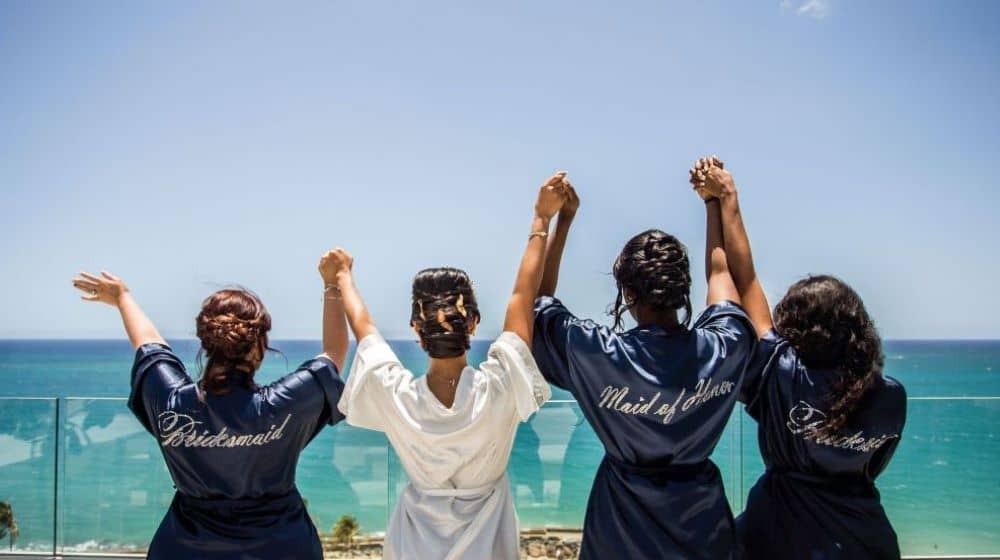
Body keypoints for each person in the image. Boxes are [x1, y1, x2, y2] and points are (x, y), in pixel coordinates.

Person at [333, 173, 567, 559]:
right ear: (473, 321)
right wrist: (545, 219)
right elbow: (524, 296)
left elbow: (364, 329)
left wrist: (340, 276)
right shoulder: (501, 384)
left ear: (415, 327)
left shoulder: (397, 396)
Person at [691, 156, 907, 559]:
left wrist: (722, 199)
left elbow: (745, 279)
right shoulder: (891, 396)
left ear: (794, 328)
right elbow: (871, 467)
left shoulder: (780, 374)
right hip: (866, 541)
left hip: (779, 535)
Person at [531, 174, 755, 559]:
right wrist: (713, 203)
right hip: (703, 531)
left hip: (620, 531)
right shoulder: (724, 347)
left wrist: (560, 221)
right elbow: (722, 275)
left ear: (628, 293)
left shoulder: (597, 354)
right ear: (682, 291)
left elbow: (536, 305)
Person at [70, 252, 350, 560]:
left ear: (206, 341)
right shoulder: (281, 406)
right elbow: (334, 353)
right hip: (282, 547)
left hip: (184, 548)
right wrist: (332, 283)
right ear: (259, 345)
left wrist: (123, 297)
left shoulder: (172, 402)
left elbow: (149, 345)